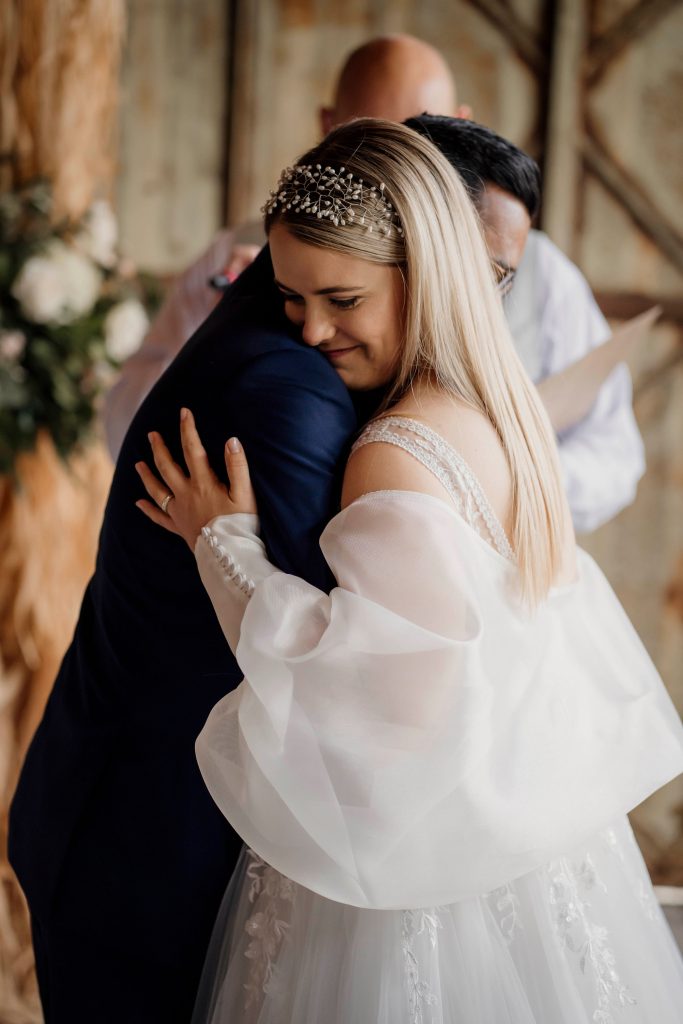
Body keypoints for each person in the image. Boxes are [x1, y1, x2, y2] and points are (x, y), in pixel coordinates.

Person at [137, 119, 683, 1023]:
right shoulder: (499, 410)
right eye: (289, 299)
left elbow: (384, 702)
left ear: (421, 273)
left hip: (418, 876)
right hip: (529, 840)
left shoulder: (393, 452)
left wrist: (223, 544)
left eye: (341, 299)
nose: (310, 330)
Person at [8, 246, 362, 1016]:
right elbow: (330, 656)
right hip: (146, 841)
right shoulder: (291, 384)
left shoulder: (270, 349)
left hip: (132, 810)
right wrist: (224, 544)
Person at [104, 34, 644, 535]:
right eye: (367, 137)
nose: (389, 172)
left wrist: (474, 489)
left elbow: (615, 457)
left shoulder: (543, 274)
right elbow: (122, 419)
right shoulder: (236, 252)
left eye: (412, 141)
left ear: (453, 130)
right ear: (329, 124)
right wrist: (218, 341)